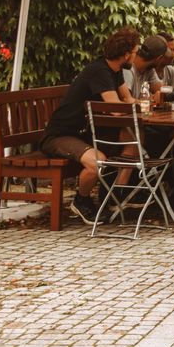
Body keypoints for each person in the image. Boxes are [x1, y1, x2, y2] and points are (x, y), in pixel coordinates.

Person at [40, 26, 137, 220]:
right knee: (97, 162)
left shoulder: (115, 70)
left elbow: (128, 99)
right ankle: (81, 200)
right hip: (62, 135)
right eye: (135, 52)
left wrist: (142, 104)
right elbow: (116, 109)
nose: (136, 56)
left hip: (84, 133)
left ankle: (113, 195)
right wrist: (137, 106)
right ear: (126, 55)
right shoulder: (99, 71)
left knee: (132, 140)